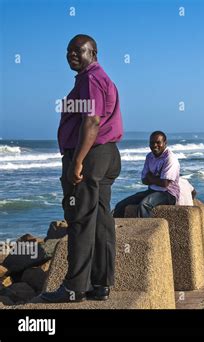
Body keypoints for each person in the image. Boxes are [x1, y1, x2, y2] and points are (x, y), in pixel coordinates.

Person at [41, 34, 123, 303]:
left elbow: (92, 122)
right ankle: (101, 284)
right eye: (68, 51)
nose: (71, 54)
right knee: (99, 219)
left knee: (79, 219)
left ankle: (74, 288)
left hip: (91, 156)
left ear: (94, 53)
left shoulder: (91, 78)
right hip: (105, 155)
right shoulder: (95, 78)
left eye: (78, 50)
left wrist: (77, 162)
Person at [113, 131, 180, 217]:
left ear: (165, 143)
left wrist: (150, 177)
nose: (155, 145)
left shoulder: (170, 158)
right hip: (152, 191)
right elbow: (144, 180)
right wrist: (155, 179)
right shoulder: (149, 157)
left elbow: (164, 184)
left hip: (168, 194)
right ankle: (115, 229)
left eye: (158, 142)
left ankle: (147, 229)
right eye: (152, 143)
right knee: (121, 205)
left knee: (144, 204)